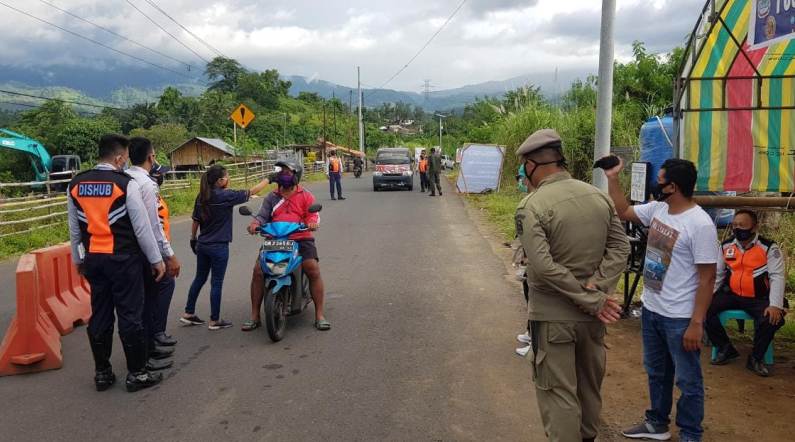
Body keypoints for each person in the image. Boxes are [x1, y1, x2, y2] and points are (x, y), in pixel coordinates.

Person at [516, 129, 629, 442]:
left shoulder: (531, 205)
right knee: (589, 387)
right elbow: (620, 247)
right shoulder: (598, 196)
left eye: (524, 166)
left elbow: (543, 267)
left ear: (531, 165)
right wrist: (598, 290)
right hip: (593, 318)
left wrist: (589, 298)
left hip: (554, 318)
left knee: (558, 392)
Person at [605, 157, 719, 442]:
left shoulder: (700, 224)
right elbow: (623, 211)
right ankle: (657, 423)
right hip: (652, 308)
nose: (656, 185)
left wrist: (696, 323)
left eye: (661, 181)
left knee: (688, 379)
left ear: (673, 187)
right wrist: (612, 178)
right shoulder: (658, 209)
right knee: (656, 371)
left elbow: (707, 278)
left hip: (680, 317)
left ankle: (690, 433)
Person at [67, 134, 166, 392]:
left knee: (99, 314)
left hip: (94, 260)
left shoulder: (76, 183)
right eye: (125, 158)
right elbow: (142, 228)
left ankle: (102, 373)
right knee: (130, 315)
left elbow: (74, 229)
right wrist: (156, 260)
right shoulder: (125, 184)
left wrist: (78, 259)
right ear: (120, 157)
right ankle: (137, 374)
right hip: (124, 260)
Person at [243, 161, 331, 331]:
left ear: (296, 175)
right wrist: (254, 224)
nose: (283, 175)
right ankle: (254, 316)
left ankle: (319, 315)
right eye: (281, 172)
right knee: (258, 271)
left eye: (287, 172)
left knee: (312, 268)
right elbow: (262, 216)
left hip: (300, 238)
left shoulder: (306, 195)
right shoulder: (272, 197)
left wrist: (312, 223)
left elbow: (313, 215)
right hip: (275, 238)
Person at [181, 165, 271, 330]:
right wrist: (269, 179)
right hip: (219, 246)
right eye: (227, 176)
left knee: (199, 278)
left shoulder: (202, 196)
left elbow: (195, 220)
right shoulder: (226, 195)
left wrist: (193, 239)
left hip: (202, 244)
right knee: (216, 282)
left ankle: (188, 312)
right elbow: (252, 191)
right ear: (220, 181)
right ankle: (214, 320)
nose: (228, 179)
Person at [706, 209, 787, 377]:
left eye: (742, 225)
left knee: (772, 319)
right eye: (735, 225)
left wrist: (775, 305)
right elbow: (718, 275)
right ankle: (725, 348)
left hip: (759, 298)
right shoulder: (726, 246)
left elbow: (777, 277)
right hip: (732, 294)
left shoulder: (769, 248)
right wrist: (707, 296)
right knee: (702, 309)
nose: (737, 229)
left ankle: (756, 358)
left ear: (754, 227)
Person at [127, 137, 180, 372]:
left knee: (143, 300)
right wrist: (165, 256)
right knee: (150, 298)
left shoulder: (125, 179)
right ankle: (149, 348)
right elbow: (151, 226)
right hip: (146, 251)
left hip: (126, 252)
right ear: (151, 157)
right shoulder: (146, 185)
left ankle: (152, 342)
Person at [149, 161, 179, 347]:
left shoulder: (154, 194)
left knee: (158, 289)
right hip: (156, 251)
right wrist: (167, 255)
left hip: (157, 249)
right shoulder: (151, 195)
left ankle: (155, 332)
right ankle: (157, 332)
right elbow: (156, 227)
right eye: (161, 174)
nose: (163, 177)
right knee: (166, 284)